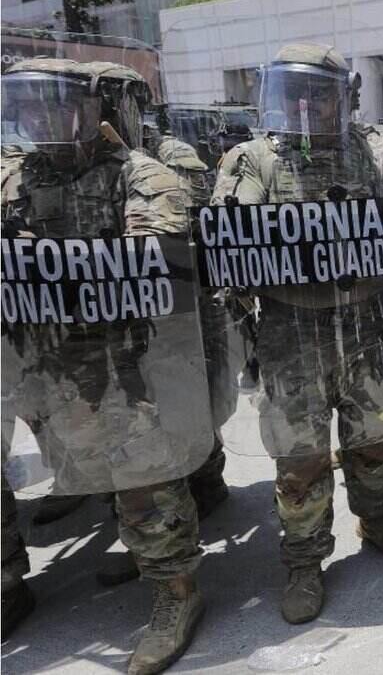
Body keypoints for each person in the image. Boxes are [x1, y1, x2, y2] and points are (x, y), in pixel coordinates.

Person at [2, 56, 211, 673]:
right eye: (29, 104)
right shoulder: (12, 179)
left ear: (92, 108)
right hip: (47, 362)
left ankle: (177, 594)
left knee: (146, 482)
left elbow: (154, 263)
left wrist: (44, 260)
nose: (41, 117)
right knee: (82, 468)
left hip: (129, 363)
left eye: (54, 102)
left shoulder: (138, 175)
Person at [211, 43, 383, 623]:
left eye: (320, 92)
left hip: (368, 322)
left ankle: (374, 517)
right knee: (299, 456)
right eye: (295, 91)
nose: (307, 103)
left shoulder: (378, 156)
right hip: (291, 329)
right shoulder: (253, 159)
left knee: (370, 438)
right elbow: (234, 239)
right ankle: (305, 561)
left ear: (344, 96)